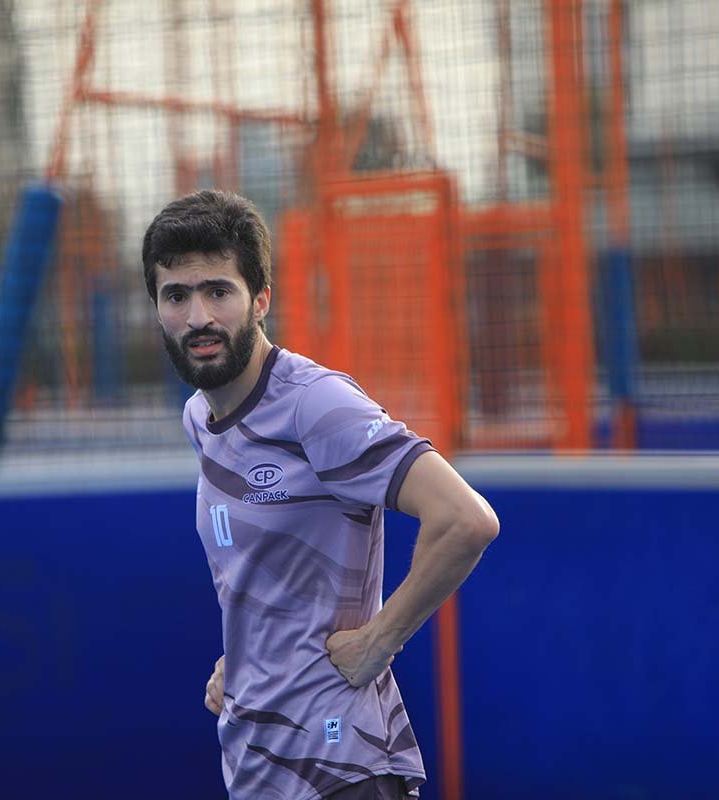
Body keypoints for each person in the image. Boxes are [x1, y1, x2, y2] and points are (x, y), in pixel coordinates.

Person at [142, 190, 499, 799]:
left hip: (343, 766)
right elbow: (266, 575)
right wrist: (245, 657)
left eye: (218, 291)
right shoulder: (199, 417)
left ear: (261, 299)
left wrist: (380, 641)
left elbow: (466, 520)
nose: (198, 317)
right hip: (258, 763)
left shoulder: (315, 403)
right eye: (176, 295)